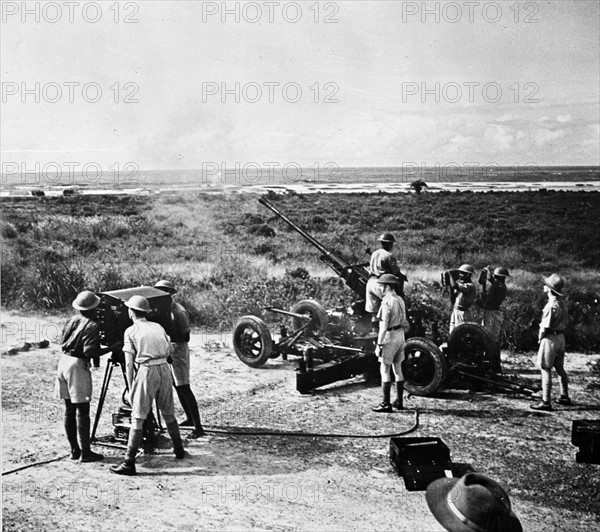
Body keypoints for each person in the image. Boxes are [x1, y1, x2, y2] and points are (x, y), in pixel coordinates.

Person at [111, 295, 185, 476]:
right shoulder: (158, 326)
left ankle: (129, 462)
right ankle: (178, 449)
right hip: (164, 368)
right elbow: (170, 349)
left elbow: (129, 364)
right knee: (168, 413)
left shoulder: (130, 331)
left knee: (137, 417)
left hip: (147, 370)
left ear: (131, 312)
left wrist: (130, 388)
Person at [55, 290, 121, 462]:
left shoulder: (72, 320)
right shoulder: (92, 325)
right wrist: (112, 348)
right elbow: (90, 351)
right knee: (82, 411)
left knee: (69, 410)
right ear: (94, 307)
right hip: (77, 365)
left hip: (64, 361)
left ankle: (74, 450)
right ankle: (85, 452)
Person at [154, 280, 205, 438]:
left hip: (179, 348)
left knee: (183, 386)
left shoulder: (178, 311)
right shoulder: (162, 309)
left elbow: (185, 336)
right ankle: (190, 419)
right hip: (170, 347)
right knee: (177, 386)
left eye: (165, 291)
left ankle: (198, 427)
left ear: (170, 293)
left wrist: (169, 339)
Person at [531, 274, 571, 411]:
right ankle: (564, 396)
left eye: (546, 285)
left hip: (550, 339)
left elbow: (544, 327)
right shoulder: (562, 304)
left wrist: (540, 338)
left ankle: (546, 401)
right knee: (559, 368)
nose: (543, 286)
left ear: (549, 289)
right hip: (561, 338)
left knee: (545, 368)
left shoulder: (550, 306)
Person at [371, 274, 410, 413]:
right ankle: (399, 402)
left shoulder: (386, 302)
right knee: (398, 369)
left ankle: (385, 404)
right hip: (400, 336)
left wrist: (379, 345)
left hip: (390, 337)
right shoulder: (400, 300)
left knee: (385, 370)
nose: (380, 288)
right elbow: (405, 321)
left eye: (381, 285)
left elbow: (383, 327)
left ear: (387, 286)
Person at [365, 233, 403, 334]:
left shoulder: (374, 254)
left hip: (370, 283)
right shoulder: (389, 256)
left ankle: (375, 334)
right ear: (390, 244)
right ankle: (390, 333)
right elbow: (396, 272)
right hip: (382, 283)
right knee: (390, 307)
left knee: (374, 312)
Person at [481, 266, 510, 373]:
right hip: (490, 312)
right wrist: (483, 283)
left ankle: (494, 365)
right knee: (490, 339)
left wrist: (487, 270)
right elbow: (484, 297)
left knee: (493, 340)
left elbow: (490, 279)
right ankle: (492, 363)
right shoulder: (496, 286)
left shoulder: (500, 286)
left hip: (493, 313)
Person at [448, 264, 477, 333]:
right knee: (452, 332)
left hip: (463, 313)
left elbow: (454, 285)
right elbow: (453, 300)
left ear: (468, 275)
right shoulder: (462, 285)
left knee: (461, 332)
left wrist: (450, 275)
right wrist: (450, 287)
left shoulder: (469, 286)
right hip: (456, 310)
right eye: (460, 273)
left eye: (463, 273)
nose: (460, 275)